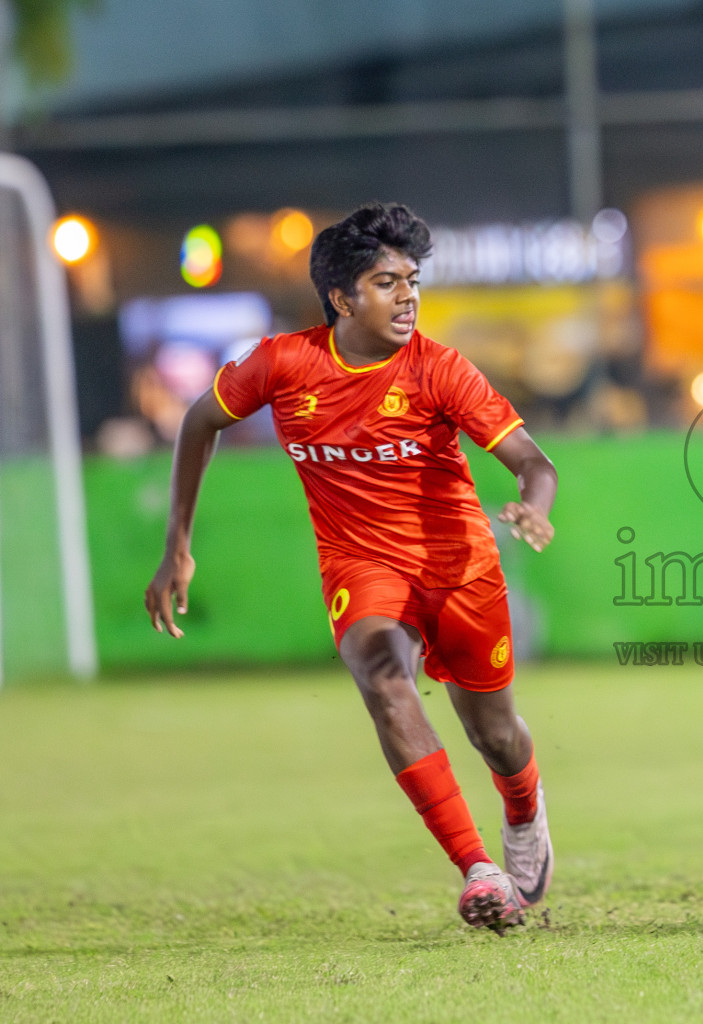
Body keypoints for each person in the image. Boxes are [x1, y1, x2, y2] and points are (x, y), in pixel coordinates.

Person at [145, 203, 558, 932]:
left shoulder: (439, 368)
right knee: (381, 672)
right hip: (360, 563)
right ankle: (478, 870)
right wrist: (178, 542)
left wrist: (534, 504)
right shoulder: (281, 363)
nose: (408, 296)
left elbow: (534, 462)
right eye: (386, 281)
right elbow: (198, 421)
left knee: (494, 734)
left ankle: (523, 813)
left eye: (412, 279)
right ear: (342, 298)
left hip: (460, 568)